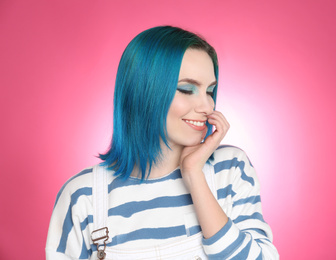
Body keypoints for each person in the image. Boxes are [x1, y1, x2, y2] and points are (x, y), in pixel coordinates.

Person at [46, 26, 279, 260]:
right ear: (144, 92)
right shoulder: (82, 197)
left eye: (209, 90)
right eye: (187, 89)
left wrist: (194, 176)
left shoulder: (229, 170)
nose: (208, 107)